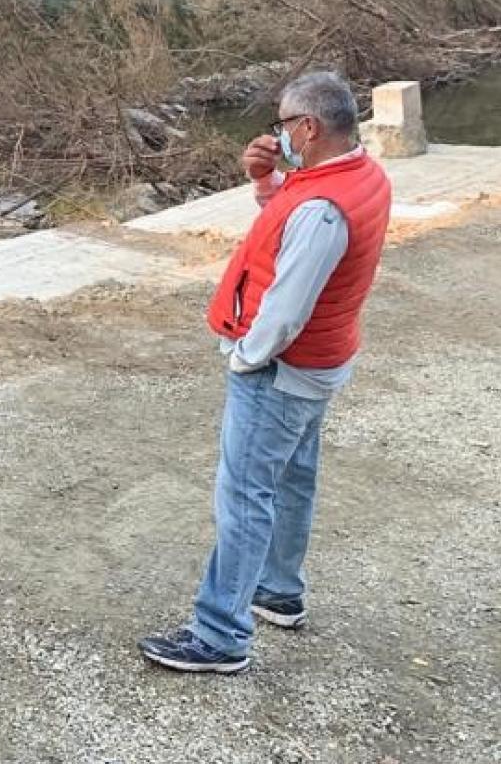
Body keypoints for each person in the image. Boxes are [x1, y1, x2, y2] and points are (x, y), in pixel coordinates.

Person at [140, 71, 392, 675]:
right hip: (322, 364)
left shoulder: (322, 210)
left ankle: (219, 633)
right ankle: (278, 592)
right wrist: (266, 180)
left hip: (282, 371)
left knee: (245, 494)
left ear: (308, 128)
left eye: (282, 126)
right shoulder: (358, 177)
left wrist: (246, 356)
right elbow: (292, 216)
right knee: (293, 479)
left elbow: (287, 306)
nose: (274, 135)